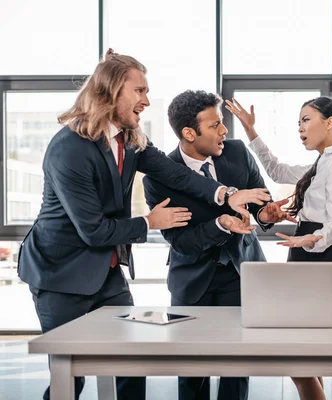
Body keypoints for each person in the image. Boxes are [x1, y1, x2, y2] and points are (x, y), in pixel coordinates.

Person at [17, 50, 270, 400]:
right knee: (70, 378)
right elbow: (93, 230)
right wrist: (149, 221)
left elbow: (176, 175)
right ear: (111, 92)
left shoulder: (130, 139)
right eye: (139, 91)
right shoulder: (69, 149)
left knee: (132, 364)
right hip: (60, 274)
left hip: (106, 272)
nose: (146, 101)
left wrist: (226, 194)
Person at [143, 90, 293, 400]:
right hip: (192, 280)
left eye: (222, 122)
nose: (224, 130)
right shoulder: (159, 178)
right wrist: (220, 224)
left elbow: (258, 202)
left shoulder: (237, 152)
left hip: (242, 274)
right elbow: (181, 242)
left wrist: (267, 213)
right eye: (215, 125)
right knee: (192, 373)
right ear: (189, 133)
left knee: (237, 368)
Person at [227, 96, 332, 400]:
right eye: (298, 123)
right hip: (303, 249)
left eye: (306, 120)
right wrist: (251, 131)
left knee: (298, 355)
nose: (300, 128)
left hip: (316, 254)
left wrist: (310, 240)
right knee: (306, 353)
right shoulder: (324, 160)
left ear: (330, 122)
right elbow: (278, 171)